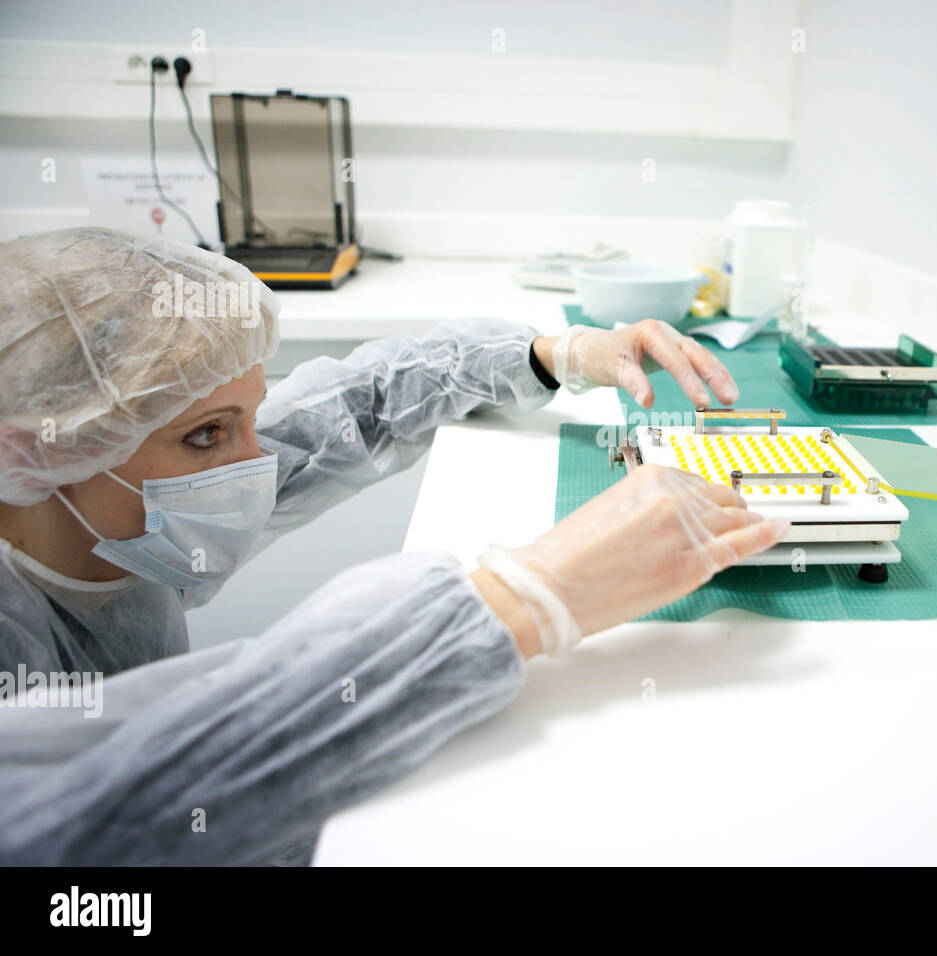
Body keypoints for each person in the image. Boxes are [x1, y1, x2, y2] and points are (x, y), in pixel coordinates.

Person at [0, 227, 788, 865]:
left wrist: (558, 354)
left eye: (250, 414)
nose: (258, 464)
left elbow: (365, 402)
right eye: (207, 435)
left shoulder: (111, 515)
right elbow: (93, 817)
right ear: (39, 452)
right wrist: (527, 596)